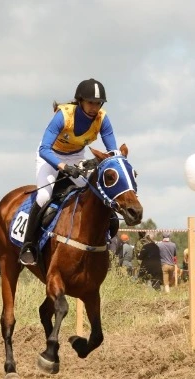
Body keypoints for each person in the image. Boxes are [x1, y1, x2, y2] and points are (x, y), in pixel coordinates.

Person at [19, 78, 120, 266]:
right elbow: (44, 149)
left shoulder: (102, 119)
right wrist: (63, 167)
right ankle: (29, 246)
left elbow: (113, 151)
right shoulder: (63, 116)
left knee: (96, 194)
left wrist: (109, 162)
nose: (94, 107)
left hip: (75, 157)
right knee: (43, 196)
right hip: (50, 157)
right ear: (80, 101)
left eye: (98, 103)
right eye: (91, 102)